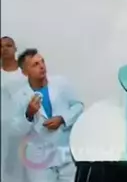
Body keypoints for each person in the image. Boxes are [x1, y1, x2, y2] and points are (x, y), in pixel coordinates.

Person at [9, 49, 83, 182]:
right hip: (39, 158)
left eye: (42, 61)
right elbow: (15, 129)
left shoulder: (61, 83)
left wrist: (62, 119)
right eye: (35, 64)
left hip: (64, 152)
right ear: (25, 72)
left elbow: (78, 106)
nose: (42, 66)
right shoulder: (19, 96)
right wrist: (29, 114)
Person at [1, 36, 27, 182]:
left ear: (15, 48)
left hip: (23, 129)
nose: (4, 49)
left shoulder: (25, 73)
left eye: (8, 45)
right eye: (1, 46)